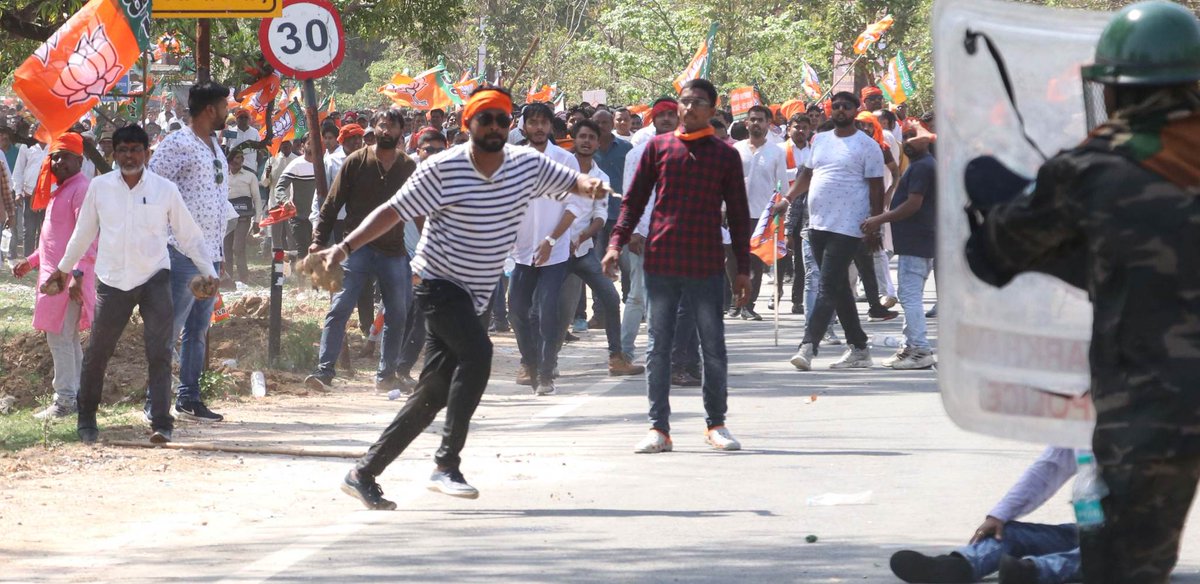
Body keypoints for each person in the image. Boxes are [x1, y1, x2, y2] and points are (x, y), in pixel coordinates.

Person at [965, 3, 1200, 581]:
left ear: (1112, 91)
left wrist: (1020, 211)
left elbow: (992, 259)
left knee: (1124, 563)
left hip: (1157, 403)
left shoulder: (1093, 170)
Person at [312, 87, 605, 509]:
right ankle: (446, 464)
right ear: (468, 124)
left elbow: (574, 183)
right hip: (437, 282)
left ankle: (363, 472)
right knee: (479, 354)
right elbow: (392, 211)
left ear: (512, 127)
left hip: (478, 293)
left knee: (432, 391)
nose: (494, 127)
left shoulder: (526, 165)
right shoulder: (443, 169)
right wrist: (343, 248)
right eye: (484, 119)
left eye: (502, 120)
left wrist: (599, 189)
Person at [603, 79, 751, 454]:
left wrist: (743, 269)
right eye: (684, 102)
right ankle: (659, 429)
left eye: (697, 103)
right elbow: (633, 202)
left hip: (706, 263)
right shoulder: (657, 148)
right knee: (658, 347)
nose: (688, 109)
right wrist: (616, 242)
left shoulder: (725, 155)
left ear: (712, 111)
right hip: (662, 261)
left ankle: (716, 424)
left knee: (713, 347)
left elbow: (737, 214)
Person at [49, 124, 218, 444]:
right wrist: (63, 270)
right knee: (98, 351)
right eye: (123, 150)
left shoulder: (164, 190)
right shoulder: (100, 187)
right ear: (114, 153)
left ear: (147, 153)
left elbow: (188, 234)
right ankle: (86, 421)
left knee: (160, 350)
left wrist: (207, 270)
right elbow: (82, 234)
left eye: (135, 150)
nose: (129, 156)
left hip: (155, 278)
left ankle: (162, 423)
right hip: (112, 281)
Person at [305, 110, 417, 392]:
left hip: (393, 250)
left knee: (398, 312)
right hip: (357, 250)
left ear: (401, 131)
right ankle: (324, 372)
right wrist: (318, 239)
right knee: (340, 308)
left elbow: (421, 211)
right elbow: (332, 203)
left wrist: (431, 246)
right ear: (374, 130)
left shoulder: (408, 166)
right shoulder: (356, 162)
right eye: (381, 125)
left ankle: (386, 376)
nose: (386, 131)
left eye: (391, 126)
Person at [148, 81, 234, 423]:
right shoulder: (177, 143)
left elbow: (217, 200)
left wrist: (220, 251)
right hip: (181, 252)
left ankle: (189, 398)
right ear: (210, 109)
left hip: (209, 254)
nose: (228, 111)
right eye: (224, 106)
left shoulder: (215, 144)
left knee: (198, 330)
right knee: (170, 331)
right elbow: (152, 187)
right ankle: (154, 404)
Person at [782, 91, 885, 371]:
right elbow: (807, 174)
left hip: (850, 226)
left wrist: (875, 224)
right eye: (836, 106)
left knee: (826, 285)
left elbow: (877, 188)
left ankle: (807, 346)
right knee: (838, 287)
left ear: (855, 110)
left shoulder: (868, 146)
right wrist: (787, 199)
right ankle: (860, 348)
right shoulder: (821, 139)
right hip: (817, 223)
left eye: (846, 107)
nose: (840, 110)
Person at [890, 448, 1081, 584]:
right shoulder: (1085, 421)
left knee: (1099, 554)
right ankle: (958, 567)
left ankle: (1033, 571)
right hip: (1088, 531)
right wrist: (999, 515)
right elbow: (1050, 466)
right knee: (1008, 533)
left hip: (1109, 545)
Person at [10, 134, 95, 419]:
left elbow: (88, 238)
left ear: (79, 161)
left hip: (66, 279)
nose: (57, 162)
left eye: (65, 156)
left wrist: (77, 276)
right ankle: (78, 395)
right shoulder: (61, 190)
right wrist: (30, 261)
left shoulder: (81, 189)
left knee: (59, 338)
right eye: (55, 156)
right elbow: (53, 239)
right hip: (53, 278)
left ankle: (66, 401)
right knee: (66, 338)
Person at [507, 102, 586, 395]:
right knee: (517, 308)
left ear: (551, 126)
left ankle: (546, 370)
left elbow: (575, 205)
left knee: (547, 309)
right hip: (521, 251)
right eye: (533, 122)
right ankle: (530, 361)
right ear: (524, 127)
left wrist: (551, 240)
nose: (539, 128)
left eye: (544, 123)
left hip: (555, 251)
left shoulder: (566, 160)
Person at [554, 119, 643, 376]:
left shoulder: (601, 177)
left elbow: (600, 217)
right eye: (582, 136)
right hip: (555, 251)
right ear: (574, 139)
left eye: (591, 137)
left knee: (611, 298)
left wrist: (581, 237)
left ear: (597, 141)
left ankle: (617, 358)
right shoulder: (558, 169)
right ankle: (543, 362)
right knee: (556, 309)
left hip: (582, 252)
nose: (586, 141)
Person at [861, 123, 937, 370]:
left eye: (914, 137)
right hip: (917, 240)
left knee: (910, 296)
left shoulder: (923, 167)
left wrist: (879, 218)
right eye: (905, 137)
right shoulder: (920, 166)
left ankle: (921, 350)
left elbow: (913, 204)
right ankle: (910, 347)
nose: (908, 142)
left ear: (927, 140)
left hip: (918, 240)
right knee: (909, 295)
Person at [732, 105, 788, 321]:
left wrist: (782, 209)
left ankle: (749, 304)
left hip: (763, 215)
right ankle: (735, 301)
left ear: (767, 124)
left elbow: (781, 186)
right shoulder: (736, 149)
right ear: (746, 123)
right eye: (752, 119)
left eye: (760, 120)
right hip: (735, 213)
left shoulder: (776, 152)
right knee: (733, 261)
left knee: (755, 263)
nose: (756, 123)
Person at [588, 108, 633, 329]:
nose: (602, 126)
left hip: (621, 214)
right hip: (595, 218)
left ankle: (632, 307)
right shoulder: (586, 149)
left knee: (626, 265)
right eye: (599, 122)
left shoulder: (626, 148)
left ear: (612, 124)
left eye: (606, 122)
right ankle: (599, 313)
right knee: (597, 267)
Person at [223, 150, 262, 284]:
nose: (237, 161)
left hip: (243, 216)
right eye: (235, 158)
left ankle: (244, 278)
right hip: (226, 217)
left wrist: (257, 221)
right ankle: (228, 278)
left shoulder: (250, 176)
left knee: (238, 247)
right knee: (226, 248)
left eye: (240, 158)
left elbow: (257, 199)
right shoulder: (222, 176)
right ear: (229, 160)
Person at [274, 136, 318, 256]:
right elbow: (279, 188)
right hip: (300, 217)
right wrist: (284, 201)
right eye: (310, 143)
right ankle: (299, 274)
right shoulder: (296, 165)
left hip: (320, 218)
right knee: (303, 252)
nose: (313, 146)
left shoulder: (324, 163)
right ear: (302, 146)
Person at [11, 135, 46, 259]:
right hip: (29, 194)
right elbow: (18, 171)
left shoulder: (54, 146)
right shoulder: (27, 147)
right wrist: (18, 192)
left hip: (49, 195)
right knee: (29, 230)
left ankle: (41, 259)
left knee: (45, 231)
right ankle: (28, 260)